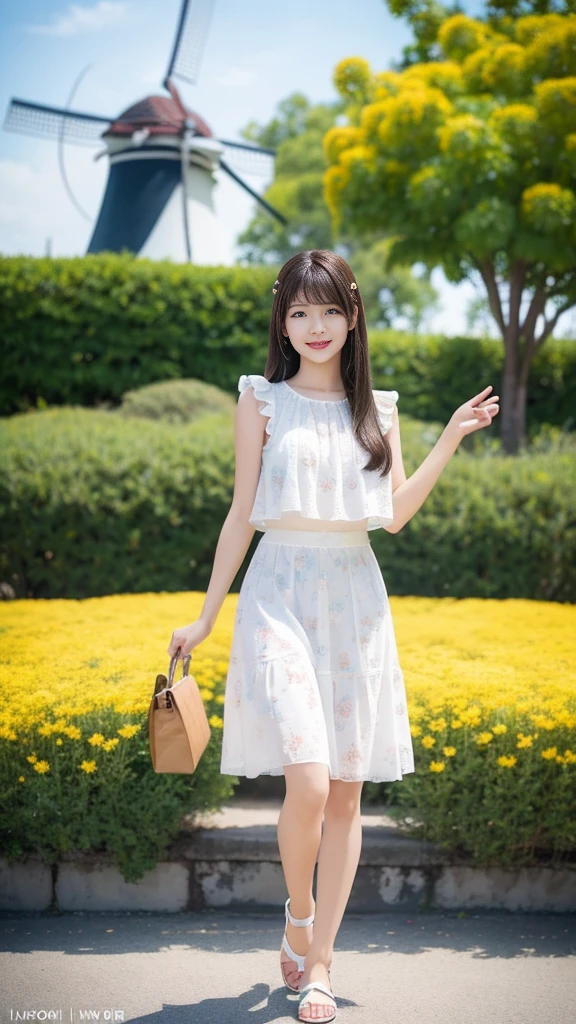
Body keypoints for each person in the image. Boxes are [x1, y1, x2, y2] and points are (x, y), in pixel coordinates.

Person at [167, 249, 499, 1022]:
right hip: (277, 592)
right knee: (309, 782)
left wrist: (450, 435)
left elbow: (395, 512)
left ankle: (319, 965)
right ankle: (297, 910)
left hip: (356, 597)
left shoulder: (376, 411)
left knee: (347, 794)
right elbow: (240, 512)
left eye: (328, 311)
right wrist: (208, 613)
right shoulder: (261, 400)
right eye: (298, 312)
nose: (314, 327)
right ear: (282, 322)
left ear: (353, 317)